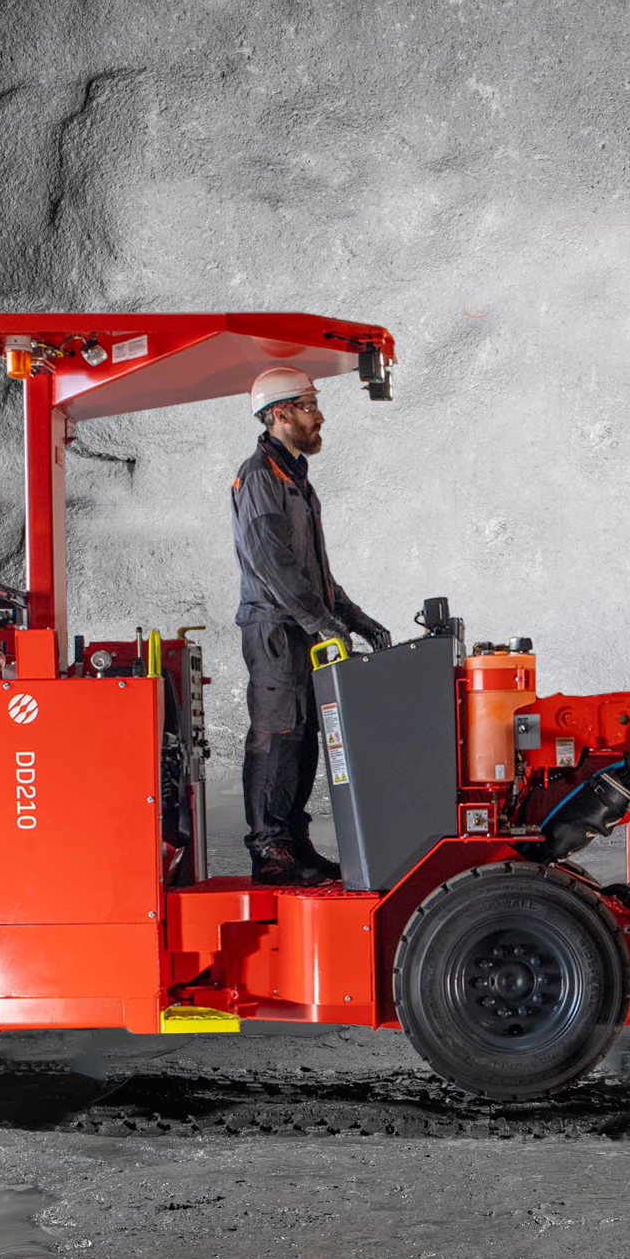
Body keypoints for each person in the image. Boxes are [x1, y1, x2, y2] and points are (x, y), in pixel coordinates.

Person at [231, 365, 391, 885]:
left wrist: (355, 618)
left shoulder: (296, 480)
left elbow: (314, 572)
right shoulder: (261, 477)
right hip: (275, 631)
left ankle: (294, 845)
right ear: (280, 414)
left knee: (302, 738)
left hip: (300, 627)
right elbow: (271, 564)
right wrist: (322, 623)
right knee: (277, 734)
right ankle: (269, 851)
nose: (319, 417)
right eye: (309, 407)